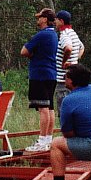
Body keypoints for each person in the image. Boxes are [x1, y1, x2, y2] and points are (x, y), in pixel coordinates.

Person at [20, 8, 58, 152]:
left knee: (43, 109)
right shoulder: (54, 35)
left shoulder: (41, 35)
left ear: (45, 19)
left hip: (39, 74)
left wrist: (32, 54)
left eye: (39, 17)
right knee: (49, 108)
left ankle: (42, 141)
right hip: (51, 74)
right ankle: (48, 139)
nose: (37, 20)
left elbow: (24, 51)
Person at [54, 10, 84, 116]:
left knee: (64, 111)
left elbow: (68, 48)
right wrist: (75, 60)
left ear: (61, 21)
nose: (55, 22)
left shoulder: (64, 34)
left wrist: (65, 62)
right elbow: (81, 47)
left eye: (56, 20)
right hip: (72, 77)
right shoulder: (73, 33)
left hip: (63, 80)